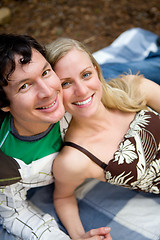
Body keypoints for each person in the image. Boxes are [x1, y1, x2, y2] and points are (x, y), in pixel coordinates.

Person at [46, 37, 160, 240]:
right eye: (66, 83)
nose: (81, 91)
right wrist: (79, 235)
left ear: (96, 72)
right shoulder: (75, 159)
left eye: (86, 74)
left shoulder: (134, 88)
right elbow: (63, 196)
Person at [0, 34, 112, 240]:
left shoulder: (77, 94)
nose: (48, 92)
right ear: (4, 104)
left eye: (45, 72)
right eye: (24, 86)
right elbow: (15, 213)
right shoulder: (5, 159)